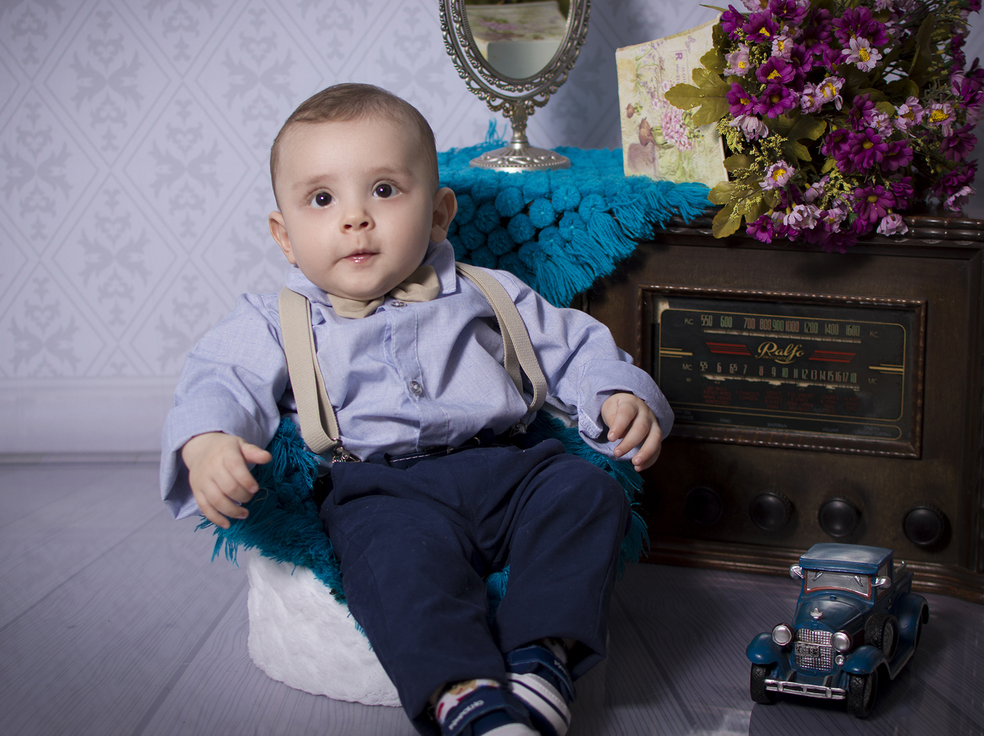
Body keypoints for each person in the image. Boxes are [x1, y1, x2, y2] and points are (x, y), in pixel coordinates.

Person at [160, 83, 673, 736]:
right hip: (382, 487)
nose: (355, 218)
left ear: (437, 214)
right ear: (284, 236)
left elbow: (576, 348)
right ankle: (464, 693)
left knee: (587, 493)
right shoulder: (274, 319)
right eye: (323, 199)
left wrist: (617, 395)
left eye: (383, 190)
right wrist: (209, 441)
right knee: (393, 559)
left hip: (514, 468)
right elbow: (219, 379)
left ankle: (542, 657)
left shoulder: (488, 292)